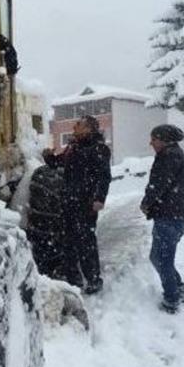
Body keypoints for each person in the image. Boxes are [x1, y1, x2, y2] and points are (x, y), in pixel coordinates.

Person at [42, 116, 111, 294]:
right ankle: (74, 280)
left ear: (89, 129)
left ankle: (94, 279)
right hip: (68, 200)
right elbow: (58, 163)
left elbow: (104, 176)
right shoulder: (73, 147)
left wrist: (99, 198)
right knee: (68, 241)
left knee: (86, 241)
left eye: (79, 124)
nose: (74, 126)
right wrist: (49, 157)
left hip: (86, 202)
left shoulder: (99, 148)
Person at [141, 124, 184, 314]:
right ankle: (179, 289)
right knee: (158, 258)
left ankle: (172, 299)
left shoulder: (169, 156)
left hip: (169, 218)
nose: (151, 143)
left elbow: (158, 184)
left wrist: (146, 202)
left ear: (163, 140)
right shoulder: (174, 154)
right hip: (174, 217)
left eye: (153, 139)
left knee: (163, 261)